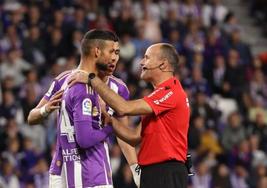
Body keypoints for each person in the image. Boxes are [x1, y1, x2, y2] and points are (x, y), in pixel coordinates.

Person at [28, 29, 139, 188]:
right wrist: (45, 110)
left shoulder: (118, 88)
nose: (115, 57)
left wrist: (135, 168)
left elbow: (123, 133)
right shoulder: (63, 80)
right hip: (61, 170)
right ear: (97, 51)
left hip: (95, 169)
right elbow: (32, 117)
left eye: (117, 52)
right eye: (111, 52)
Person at [68, 43, 190, 188]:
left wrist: (92, 79)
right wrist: (111, 121)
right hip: (153, 172)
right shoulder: (157, 99)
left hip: (166, 172)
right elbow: (134, 137)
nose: (141, 62)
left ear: (163, 64)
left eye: (147, 57)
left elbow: (124, 107)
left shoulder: (171, 91)